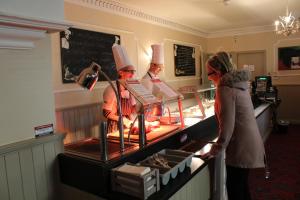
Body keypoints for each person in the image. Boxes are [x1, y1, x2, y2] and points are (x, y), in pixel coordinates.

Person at [201, 52, 266, 200]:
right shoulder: (238, 84)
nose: (209, 78)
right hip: (250, 143)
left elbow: (227, 126)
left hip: (240, 147)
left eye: (209, 74)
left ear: (217, 72)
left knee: (235, 189)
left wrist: (215, 149)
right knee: (242, 186)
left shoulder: (224, 88)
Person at [102, 44, 136, 133]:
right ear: (121, 72)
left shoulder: (130, 87)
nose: (133, 75)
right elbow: (106, 113)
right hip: (115, 126)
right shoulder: (111, 89)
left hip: (129, 124)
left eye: (133, 71)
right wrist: (124, 120)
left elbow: (133, 107)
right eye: (130, 72)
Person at [142, 44, 165, 118]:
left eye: (161, 68)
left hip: (155, 109)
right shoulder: (146, 79)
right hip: (148, 111)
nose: (160, 70)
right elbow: (147, 98)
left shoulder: (156, 77)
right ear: (152, 65)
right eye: (159, 68)